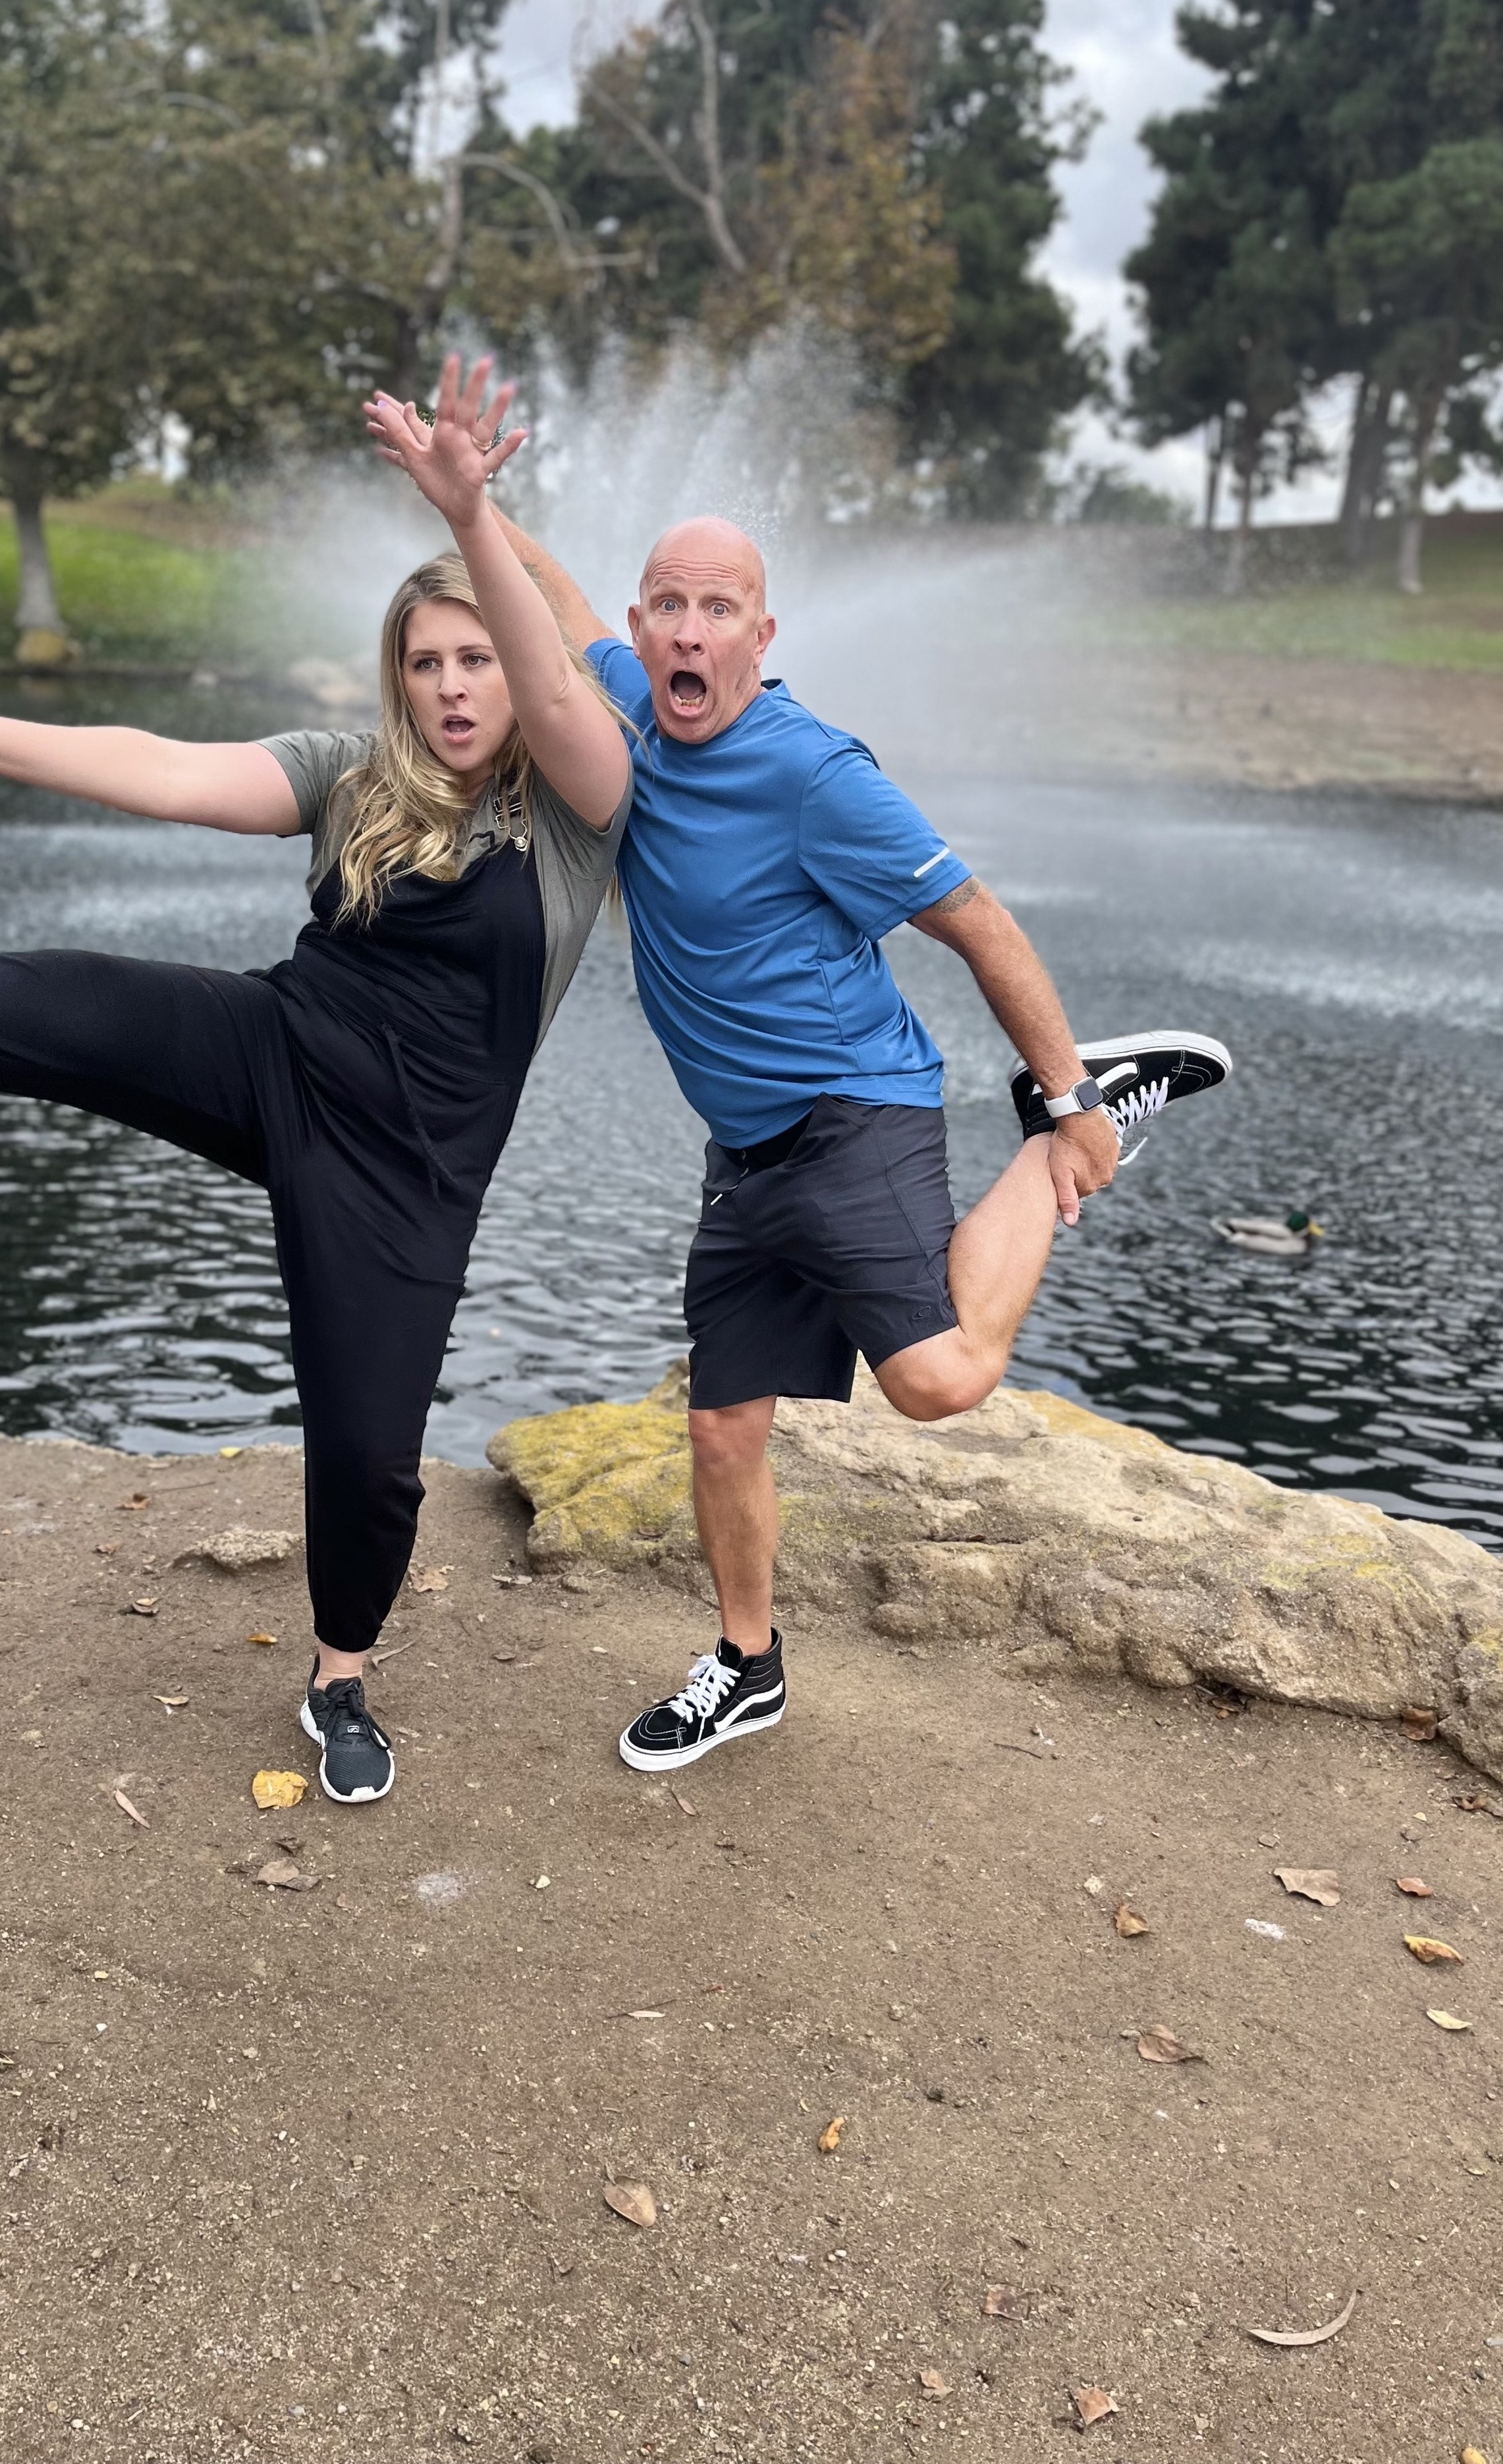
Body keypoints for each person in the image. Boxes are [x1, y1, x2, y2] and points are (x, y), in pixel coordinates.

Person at [0, 358, 630, 1809]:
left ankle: (340, 1677)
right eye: (427, 661)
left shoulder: (581, 812)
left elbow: (569, 674)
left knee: (368, 1456)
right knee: (57, 998)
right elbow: (153, 768)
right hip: (276, 1050)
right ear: (396, 676)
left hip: (405, 1171)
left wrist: (478, 517)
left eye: (478, 660)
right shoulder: (354, 779)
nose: (456, 687)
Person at [494, 507, 1232, 1773]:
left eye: (719, 609)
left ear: (762, 634)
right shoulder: (626, 701)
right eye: (667, 604)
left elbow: (981, 919)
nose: (688, 629)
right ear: (640, 627)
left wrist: (1060, 1096)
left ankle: (1089, 1112)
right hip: (746, 1156)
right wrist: (471, 500)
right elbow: (554, 606)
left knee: (936, 1383)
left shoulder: (819, 776)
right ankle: (747, 1667)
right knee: (723, 1428)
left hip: (855, 1109)